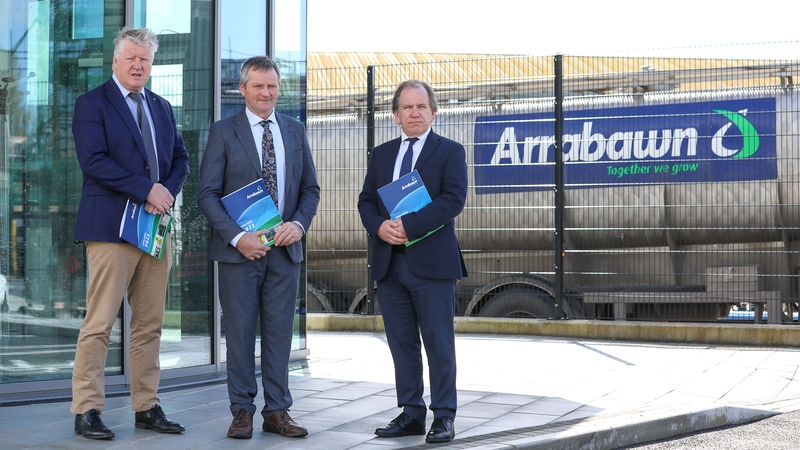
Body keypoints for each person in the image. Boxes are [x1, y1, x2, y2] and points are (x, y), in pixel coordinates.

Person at [71, 27, 189, 440]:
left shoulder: (161, 106)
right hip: (110, 230)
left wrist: (166, 193)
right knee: (100, 322)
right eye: (132, 58)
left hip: (155, 228)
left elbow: (180, 158)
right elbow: (94, 162)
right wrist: (147, 189)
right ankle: (87, 409)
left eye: (145, 60)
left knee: (150, 323)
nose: (139, 65)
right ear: (116, 61)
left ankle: (147, 405)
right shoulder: (91, 103)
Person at [197, 56, 320, 440]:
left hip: (285, 252)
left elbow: (310, 189)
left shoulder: (294, 130)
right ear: (242, 89)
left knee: (281, 334)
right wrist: (238, 237)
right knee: (239, 332)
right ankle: (242, 411)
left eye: (271, 86)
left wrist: (298, 224)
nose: (265, 93)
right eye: (258, 86)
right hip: (239, 253)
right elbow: (207, 194)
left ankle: (278, 411)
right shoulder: (223, 131)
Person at [357, 80, 468, 444]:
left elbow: (453, 200)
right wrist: (379, 228)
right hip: (390, 263)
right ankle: (410, 413)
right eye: (407, 107)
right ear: (396, 115)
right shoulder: (382, 154)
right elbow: (366, 201)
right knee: (401, 343)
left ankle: (444, 417)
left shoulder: (449, 151)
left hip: (432, 265)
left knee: (438, 342)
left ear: (433, 112)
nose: (415, 113)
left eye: (422, 106)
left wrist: (407, 224)